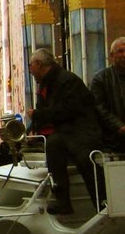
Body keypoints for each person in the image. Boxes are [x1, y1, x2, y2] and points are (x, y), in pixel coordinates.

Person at [27, 47, 104, 214]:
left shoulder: (66, 81)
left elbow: (67, 109)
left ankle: (102, 203)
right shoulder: (47, 84)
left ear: (39, 64)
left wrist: (40, 114)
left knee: (85, 159)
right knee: (54, 145)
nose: (30, 70)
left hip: (82, 131)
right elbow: (46, 111)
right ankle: (63, 201)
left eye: (31, 65)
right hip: (67, 132)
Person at [91, 35, 125, 153]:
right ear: (111, 55)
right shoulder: (100, 79)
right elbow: (99, 107)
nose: (124, 55)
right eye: (120, 51)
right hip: (111, 139)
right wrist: (118, 126)